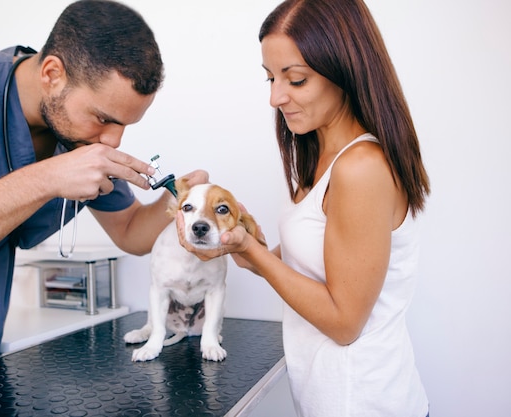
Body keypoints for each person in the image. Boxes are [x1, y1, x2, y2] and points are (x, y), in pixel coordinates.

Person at [0, 0, 206, 393]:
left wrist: (183, 201)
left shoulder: (78, 138)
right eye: (105, 118)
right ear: (52, 73)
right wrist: (47, 179)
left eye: (124, 125)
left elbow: (130, 231)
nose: (114, 140)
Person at [177, 0, 430, 416]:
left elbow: (344, 322)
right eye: (270, 78)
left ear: (344, 70)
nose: (276, 97)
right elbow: (298, 269)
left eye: (295, 80)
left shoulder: (361, 167)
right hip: (327, 399)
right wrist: (240, 241)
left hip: (364, 402)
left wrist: (253, 251)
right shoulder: (321, 158)